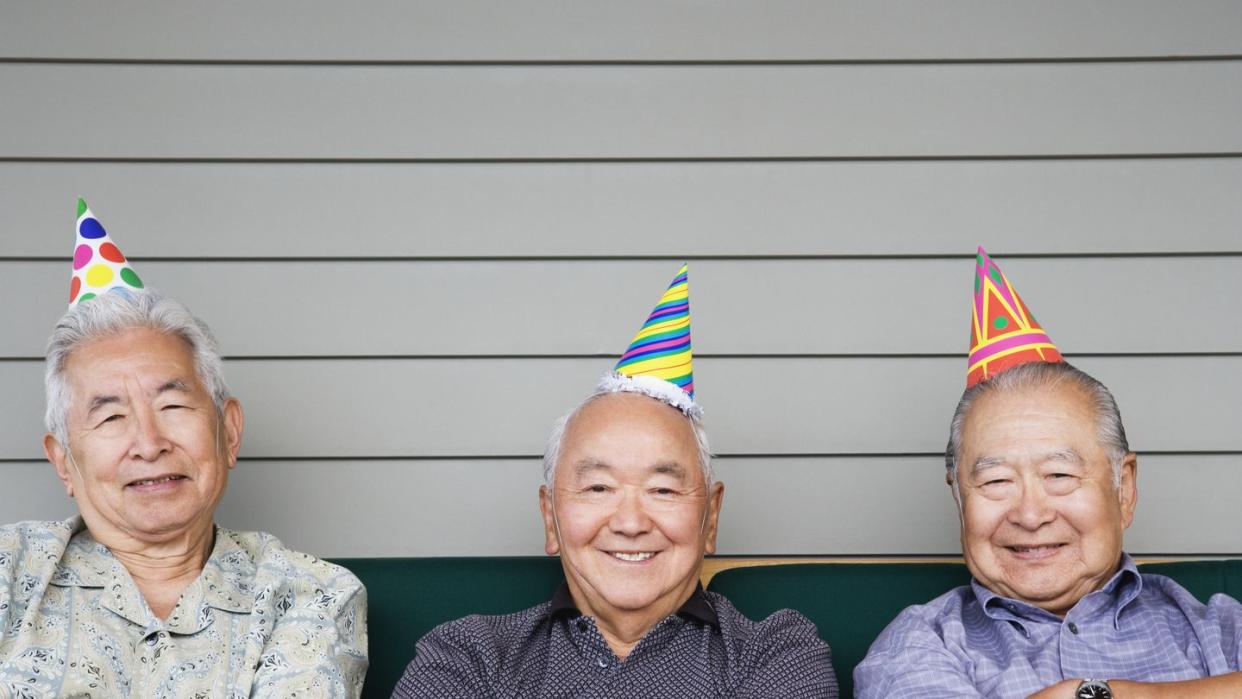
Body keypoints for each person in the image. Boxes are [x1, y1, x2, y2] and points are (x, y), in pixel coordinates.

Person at [393, 265, 837, 697]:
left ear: (711, 517)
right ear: (551, 519)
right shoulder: (471, 655)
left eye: (662, 489)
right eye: (598, 488)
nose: (630, 522)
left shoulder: (775, 654)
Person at [0, 200, 367, 698]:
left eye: (173, 405)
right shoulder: (9, 570)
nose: (149, 444)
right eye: (110, 416)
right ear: (64, 461)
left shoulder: (308, 595)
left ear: (229, 431)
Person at [855, 248, 1242, 699]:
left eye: (1059, 475)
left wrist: (1120, 695)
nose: (1031, 513)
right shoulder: (922, 644)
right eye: (996, 481)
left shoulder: (1219, 627)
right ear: (958, 499)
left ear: (1125, 489)